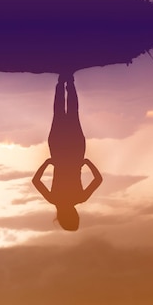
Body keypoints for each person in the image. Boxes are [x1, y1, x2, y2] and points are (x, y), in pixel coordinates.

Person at [32, 74, 102, 230]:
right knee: (59, 114)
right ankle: (62, 81)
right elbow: (36, 181)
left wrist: (87, 162)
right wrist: (47, 163)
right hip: (59, 152)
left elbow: (98, 179)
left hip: (75, 152)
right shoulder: (54, 199)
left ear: (75, 215)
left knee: (72, 114)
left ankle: (68, 80)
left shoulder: (80, 198)